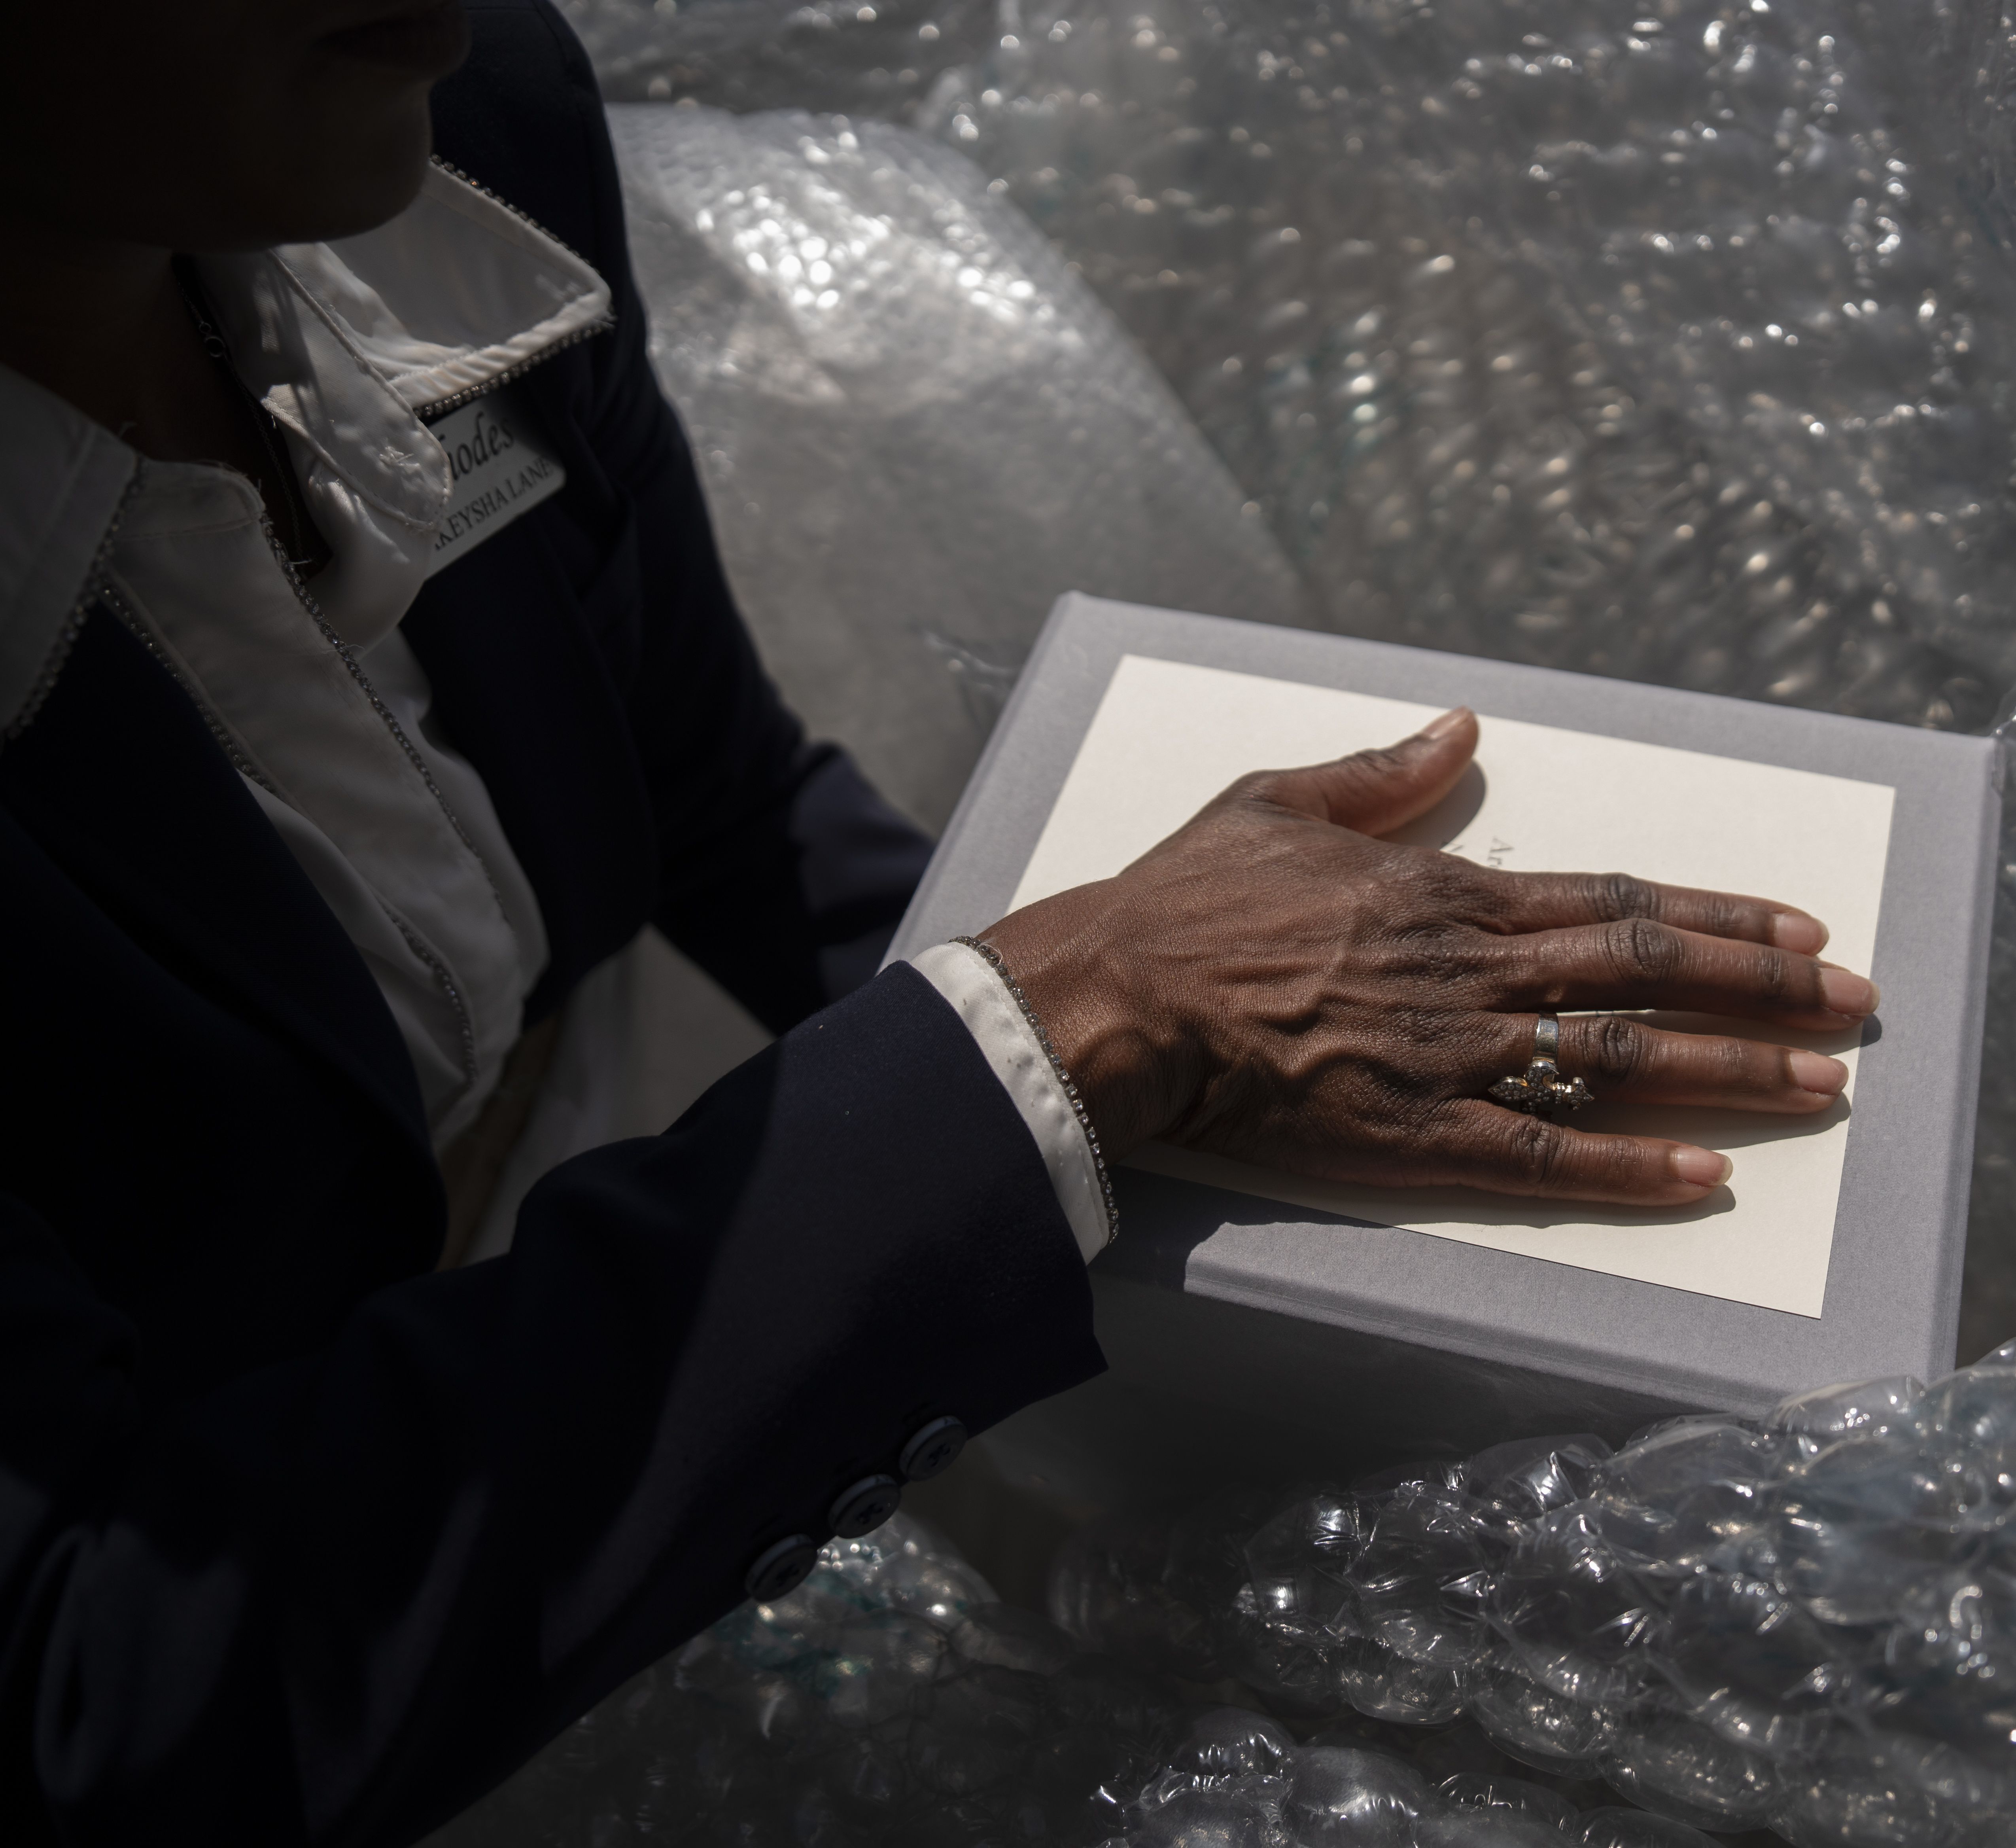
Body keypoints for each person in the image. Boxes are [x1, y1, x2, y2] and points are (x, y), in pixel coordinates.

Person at [0, 1, 1880, 1842]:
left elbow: (706, 786)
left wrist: (1214, 1115)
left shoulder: (450, 132)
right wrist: (1063, 1033)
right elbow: (112, 1692)